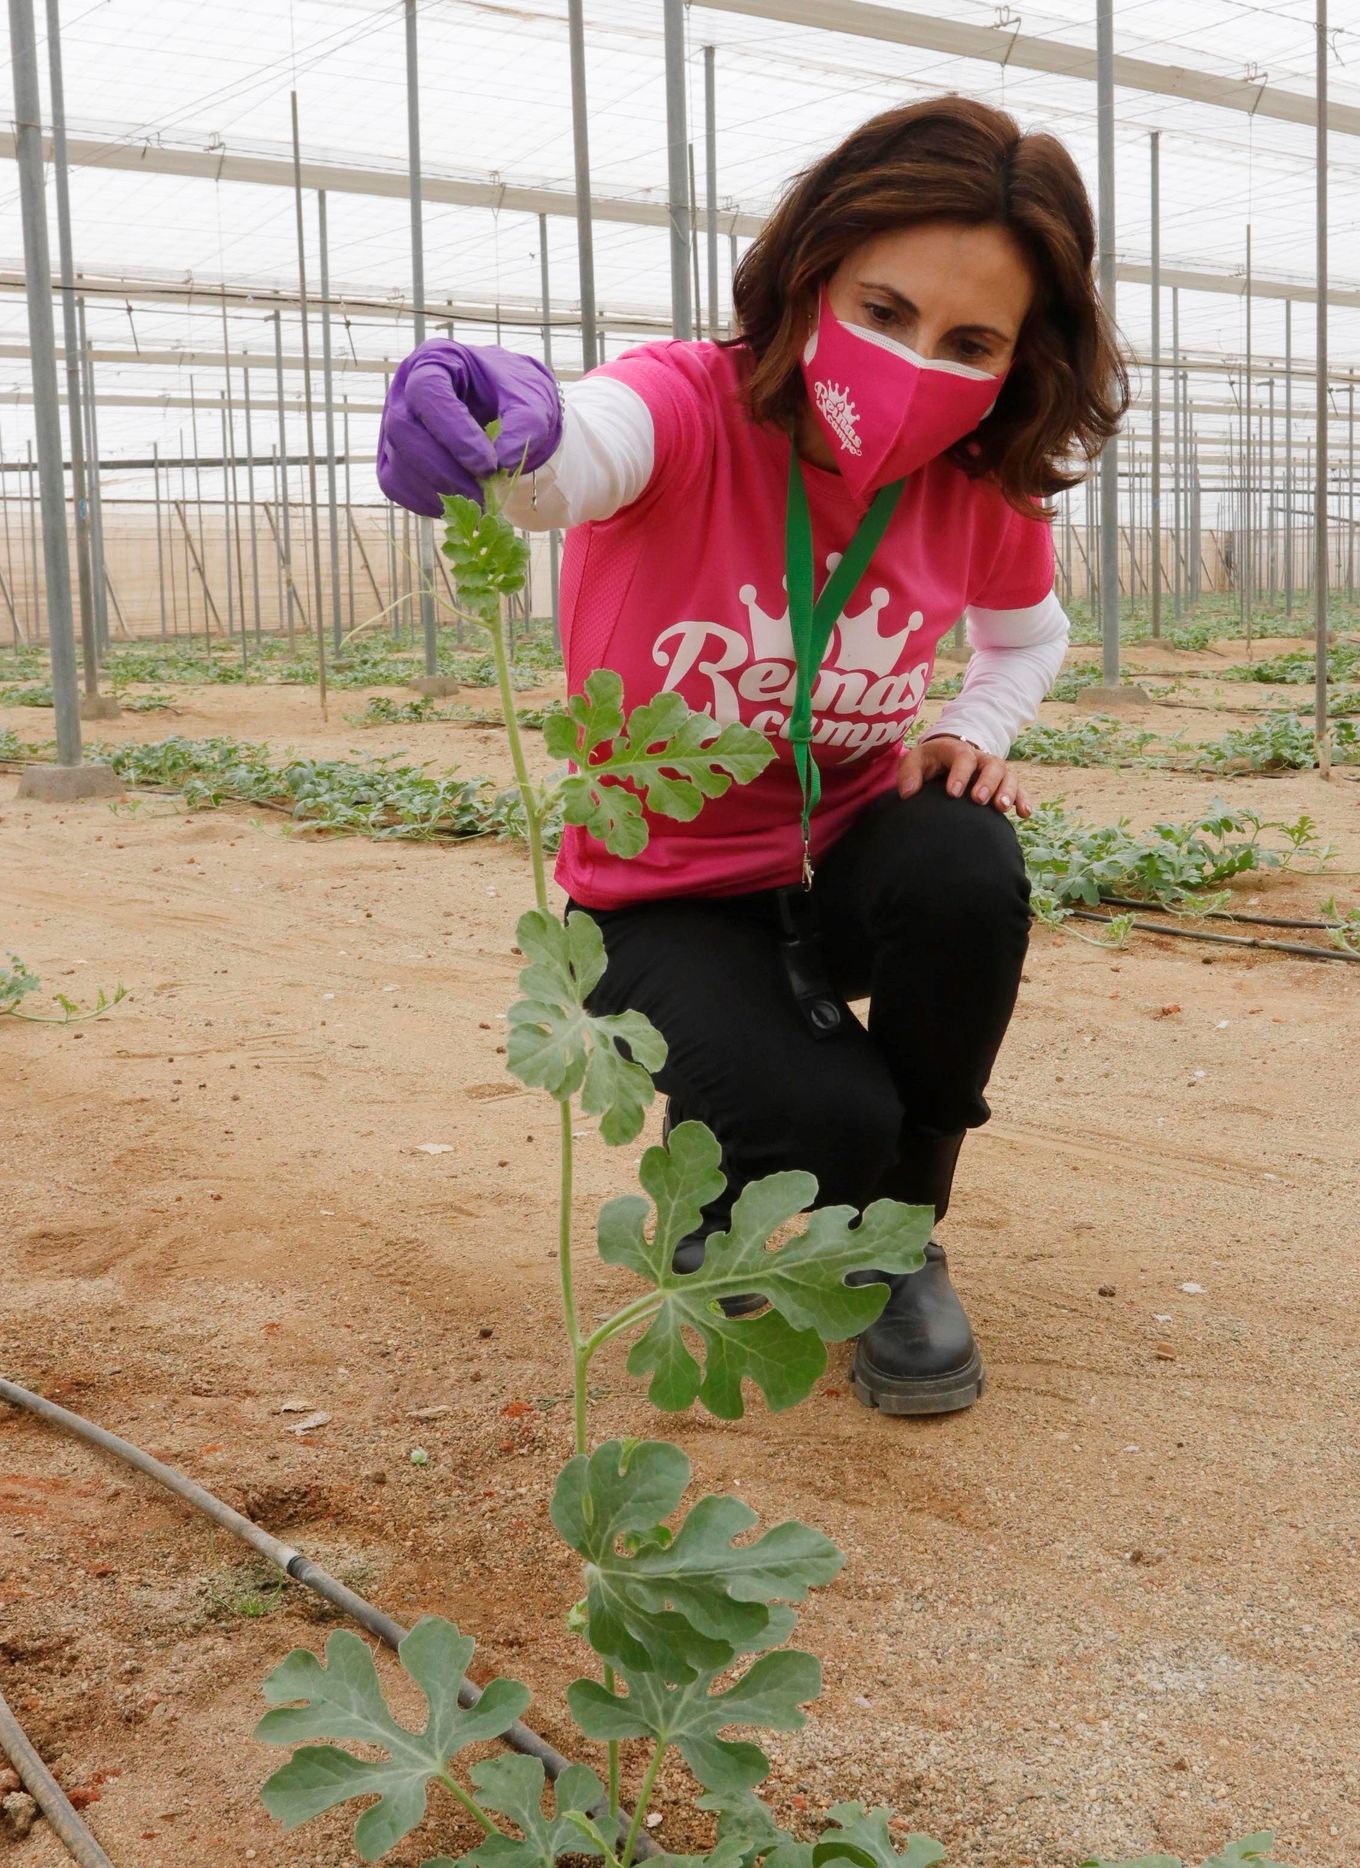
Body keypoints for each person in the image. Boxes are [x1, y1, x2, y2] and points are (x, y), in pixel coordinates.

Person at [377, 94, 1126, 1417]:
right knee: (825, 1115)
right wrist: (509, 421)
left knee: (965, 864)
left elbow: (1029, 637)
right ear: (812, 275)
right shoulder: (687, 405)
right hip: (659, 901)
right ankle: (753, 1148)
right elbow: (572, 459)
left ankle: (899, 1237)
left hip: (834, 874)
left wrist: (972, 729)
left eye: (970, 343)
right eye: (884, 311)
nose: (917, 364)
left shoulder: (976, 481)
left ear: (1020, 361)